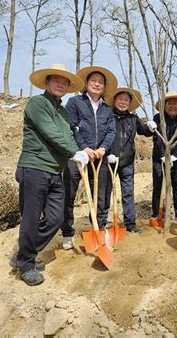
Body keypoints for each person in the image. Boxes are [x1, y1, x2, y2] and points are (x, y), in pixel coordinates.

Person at [11, 63, 89, 286]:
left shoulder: (63, 112)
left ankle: (24, 254)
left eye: (64, 82)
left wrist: (81, 151)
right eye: (56, 80)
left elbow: (69, 136)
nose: (60, 84)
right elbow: (51, 133)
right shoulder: (37, 104)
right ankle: (26, 263)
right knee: (31, 218)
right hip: (35, 167)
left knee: (56, 218)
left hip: (56, 170)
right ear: (46, 82)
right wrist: (74, 151)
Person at [60, 66, 117, 250]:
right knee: (69, 193)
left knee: (100, 196)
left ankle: (98, 229)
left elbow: (111, 131)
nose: (97, 84)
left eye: (100, 82)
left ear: (104, 87)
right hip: (77, 156)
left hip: (99, 157)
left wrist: (102, 149)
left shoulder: (107, 109)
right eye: (93, 81)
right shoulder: (75, 102)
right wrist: (83, 148)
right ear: (86, 83)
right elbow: (71, 127)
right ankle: (67, 233)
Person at [104, 87, 157, 233]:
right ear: (114, 100)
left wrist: (150, 128)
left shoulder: (133, 119)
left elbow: (143, 131)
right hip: (109, 161)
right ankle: (101, 223)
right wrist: (107, 154)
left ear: (130, 103)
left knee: (128, 193)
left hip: (127, 162)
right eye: (120, 99)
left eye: (126, 100)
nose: (123, 102)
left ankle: (130, 224)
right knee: (105, 192)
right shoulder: (108, 116)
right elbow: (102, 136)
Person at [152, 91, 177, 225]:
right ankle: (157, 214)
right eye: (169, 103)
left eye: (175, 103)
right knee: (158, 186)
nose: (172, 106)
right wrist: (163, 156)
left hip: (176, 158)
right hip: (159, 157)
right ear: (164, 106)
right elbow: (157, 139)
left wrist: (174, 156)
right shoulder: (158, 118)